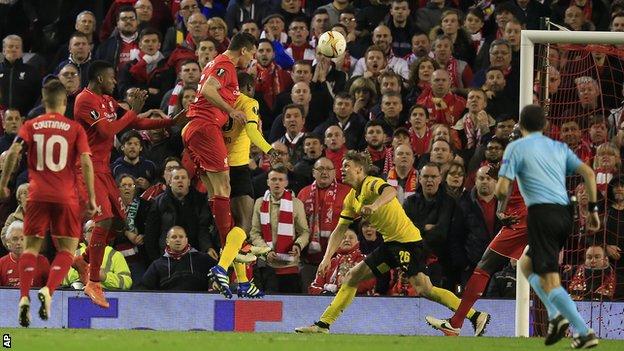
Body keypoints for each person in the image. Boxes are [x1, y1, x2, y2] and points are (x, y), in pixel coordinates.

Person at [295, 151, 487, 334]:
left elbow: (390, 192)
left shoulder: (372, 183)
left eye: (347, 166)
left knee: (424, 289)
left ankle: (474, 315)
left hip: (407, 243)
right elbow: (339, 230)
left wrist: (375, 205)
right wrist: (326, 257)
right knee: (352, 277)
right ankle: (323, 324)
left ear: (359, 170)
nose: (342, 169)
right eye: (342, 166)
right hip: (390, 245)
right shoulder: (351, 198)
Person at [73, 60, 180, 308]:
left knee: (121, 224)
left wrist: (170, 122)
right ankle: (93, 281)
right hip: (85, 168)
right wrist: (133, 110)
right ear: (100, 79)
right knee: (104, 220)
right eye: (112, 78)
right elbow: (107, 131)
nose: (115, 82)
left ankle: (82, 259)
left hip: (103, 169)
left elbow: (135, 123)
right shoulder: (84, 100)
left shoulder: (109, 102)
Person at [496, 105, 599, 348]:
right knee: (526, 264)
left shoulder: (516, 147)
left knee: (551, 281)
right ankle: (555, 315)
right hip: (565, 215)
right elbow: (589, 173)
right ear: (545, 126)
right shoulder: (558, 146)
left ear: (520, 126)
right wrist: (593, 210)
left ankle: (583, 332)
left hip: (542, 215)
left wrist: (502, 196)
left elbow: (501, 189)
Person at [0, 80, 97, 327]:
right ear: (65, 102)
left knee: (31, 249)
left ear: (44, 102)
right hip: (65, 196)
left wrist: (4, 183)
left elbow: (12, 153)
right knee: (66, 250)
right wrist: (93, 198)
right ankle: (48, 292)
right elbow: (86, 162)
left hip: (36, 195)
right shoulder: (75, 128)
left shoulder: (32, 125)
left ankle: (24, 298)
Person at [181, 32, 257, 299]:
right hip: (204, 127)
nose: (252, 59)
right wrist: (231, 110)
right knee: (224, 186)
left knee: (216, 193)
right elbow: (208, 91)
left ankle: (229, 267)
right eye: (253, 54)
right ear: (245, 50)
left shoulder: (215, 63)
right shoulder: (226, 66)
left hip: (196, 128)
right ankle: (229, 257)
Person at [224, 71, 277, 297]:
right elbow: (252, 131)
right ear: (248, 87)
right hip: (237, 168)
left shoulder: (221, 104)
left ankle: (243, 280)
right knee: (243, 225)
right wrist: (269, 149)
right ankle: (221, 268)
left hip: (218, 168)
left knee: (234, 230)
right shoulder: (248, 102)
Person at [140, 226, 217, 291]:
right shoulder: (157, 265)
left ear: (186, 240)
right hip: (169, 306)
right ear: (167, 241)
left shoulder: (202, 259)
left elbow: (220, 273)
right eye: (174, 237)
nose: (178, 240)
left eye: (181, 237)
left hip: (200, 304)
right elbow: (143, 287)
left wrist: (214, 282)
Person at [63, 220, 132, 290]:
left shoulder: (115, 255)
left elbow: (127, 282)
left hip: (107, 297)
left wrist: (105, 277)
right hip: (76, 296)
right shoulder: (74, 254)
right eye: (90, 230)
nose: (94, 233)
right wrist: (82, 272)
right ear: (84, 236)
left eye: (98, 230)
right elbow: (62, 279)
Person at [0, 221, 49, 287]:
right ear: (8, 241)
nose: (19, 243)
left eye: (22, 239)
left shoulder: (42, 261)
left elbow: (54, 291)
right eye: (15, 239)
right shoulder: (1, 263)